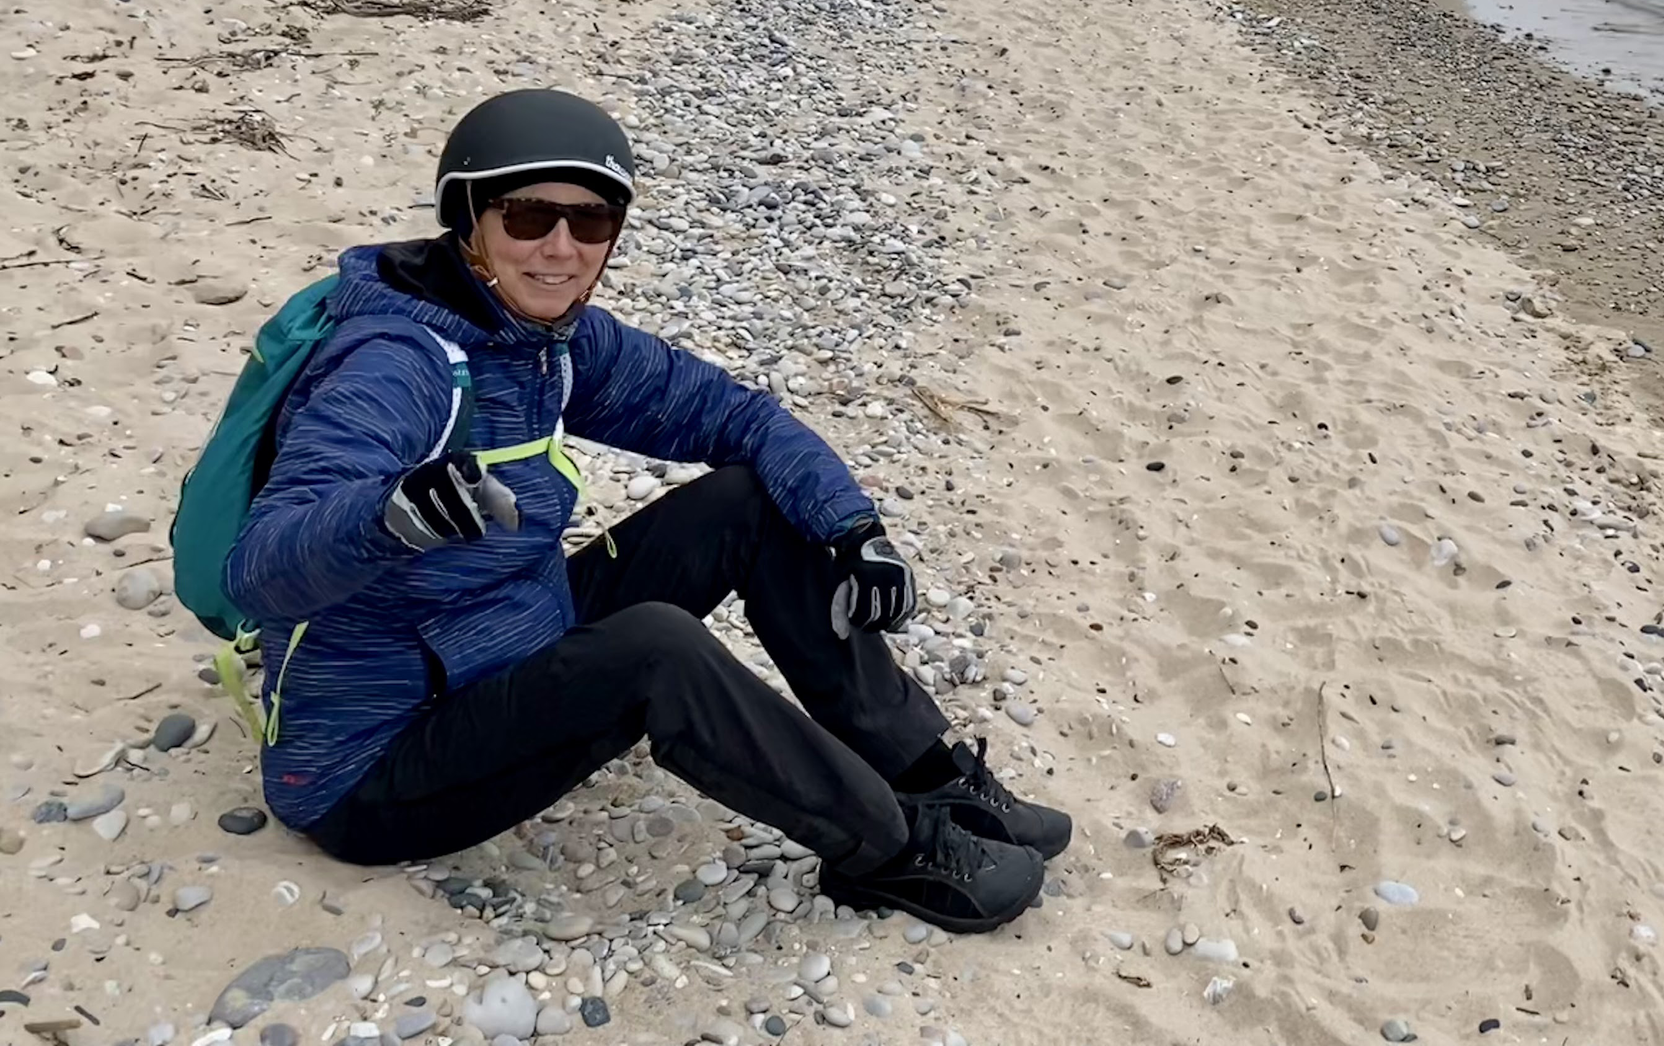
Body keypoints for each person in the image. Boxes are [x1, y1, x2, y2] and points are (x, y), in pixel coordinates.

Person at [224, 88, 1066, 933]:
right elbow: (261, 571)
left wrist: (853, 529)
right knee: (656, 649)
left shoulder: (548, 338)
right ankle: (891, 848)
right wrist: (383, 516)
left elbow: (741, 416)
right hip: (376, 767)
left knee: (751, 502)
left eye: (590, 223)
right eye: (526, 215)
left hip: (514, 642)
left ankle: (931, 775)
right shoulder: (396, 364)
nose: (559, 248)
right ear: (468, 218)